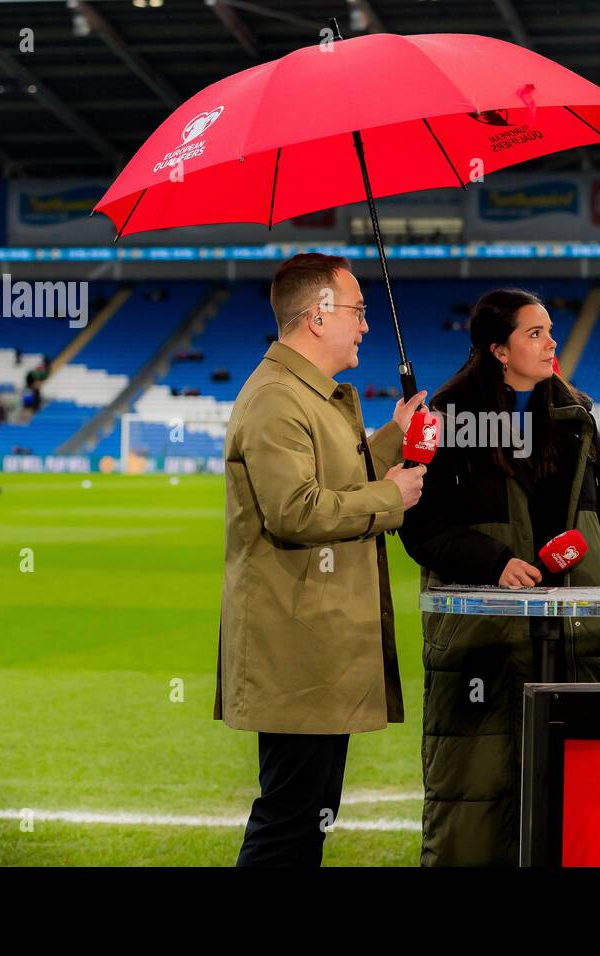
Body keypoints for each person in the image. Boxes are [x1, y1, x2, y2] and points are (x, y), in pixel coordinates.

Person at [399, 288, 600, 866]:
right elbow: (420, 528)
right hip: (487, 644)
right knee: (478, 814)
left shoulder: (576, 413)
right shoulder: (447, 420)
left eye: (551, 330)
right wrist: (494, 562)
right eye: (535, 333)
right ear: (499, 350)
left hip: (576, 638)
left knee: (580, 812)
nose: (552, 342)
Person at [215, 253, 428, 867]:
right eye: (358, 311)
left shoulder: (309, 396)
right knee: (289, 823)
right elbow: (296, 510)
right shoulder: (277, 399)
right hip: (296, 647)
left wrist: (394, 435)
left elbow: (335, 471)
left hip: (315, 644)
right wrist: (392, 496)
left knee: (305, 819)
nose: (365, 326)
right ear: (318, 316)